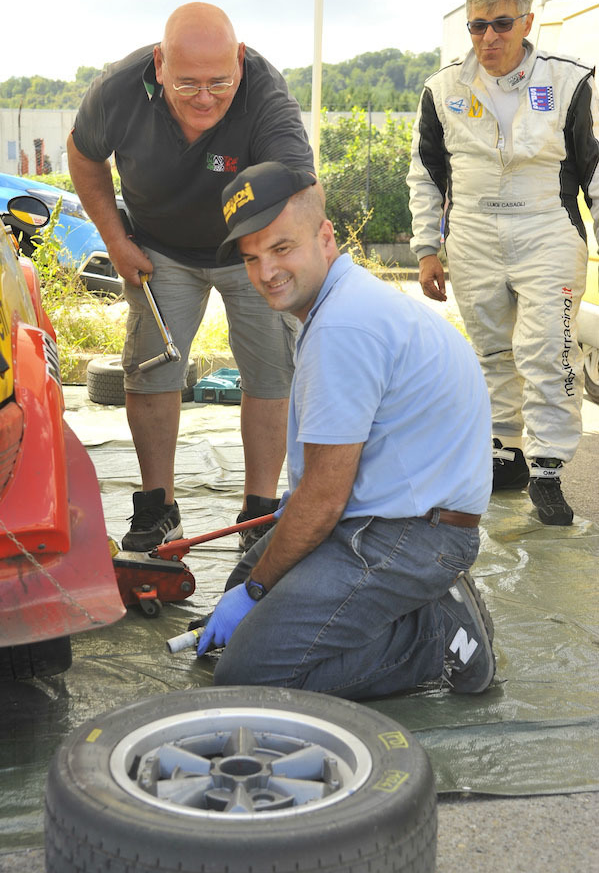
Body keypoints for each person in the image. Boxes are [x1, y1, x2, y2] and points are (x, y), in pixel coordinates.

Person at [196, 161, 495, 700]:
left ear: (325, 237)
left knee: (245, 675)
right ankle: (405, 608)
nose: (266, 272)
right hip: (393, 518)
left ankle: (434, 635)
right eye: (251, 258)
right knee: (240, 590)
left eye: (281, 248)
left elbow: (324, 502)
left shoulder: (341, 327)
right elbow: (325, 489)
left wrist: (262, 587)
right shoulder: (342, 301)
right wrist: (256, 583)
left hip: (411, 536)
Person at [68, 3, 314, 551]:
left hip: (247, 248)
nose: (204, 98)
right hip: (159, 250)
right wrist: (115, 238)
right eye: (187, 83)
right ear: (159, 65)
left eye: (219, 83)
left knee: (272, 374)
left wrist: (282, 261)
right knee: (150, 370)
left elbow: (299, 187)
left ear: (241, 62)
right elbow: (84, 156)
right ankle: (159, 508)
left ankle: (259, 513)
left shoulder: (265, 95)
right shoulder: (117, 90)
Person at [407, 0, 599, 526]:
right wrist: (426, 249)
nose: (488, 38)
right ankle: (506, 452)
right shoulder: (442, 89)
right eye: (476, 27)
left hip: (546, 230)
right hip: (473, 236)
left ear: (527, 23)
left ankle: (548, 469)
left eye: (501, 25)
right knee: (493, 352)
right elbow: (425, 174)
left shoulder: (569, 81)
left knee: (547, 349)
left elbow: (594, 169)